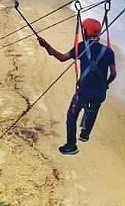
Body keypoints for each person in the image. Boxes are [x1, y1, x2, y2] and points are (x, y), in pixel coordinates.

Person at [37, 18, 116, 155]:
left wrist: (46, 46)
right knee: (94, 106)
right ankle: (85, 134)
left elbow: (61, 58)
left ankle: (71, 145)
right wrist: (106, 84)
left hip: (83, 93)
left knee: (72, 116)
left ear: (85, 32)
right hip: (99, 93)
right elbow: (113, 74)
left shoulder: (81, 47)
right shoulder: (108, 51)